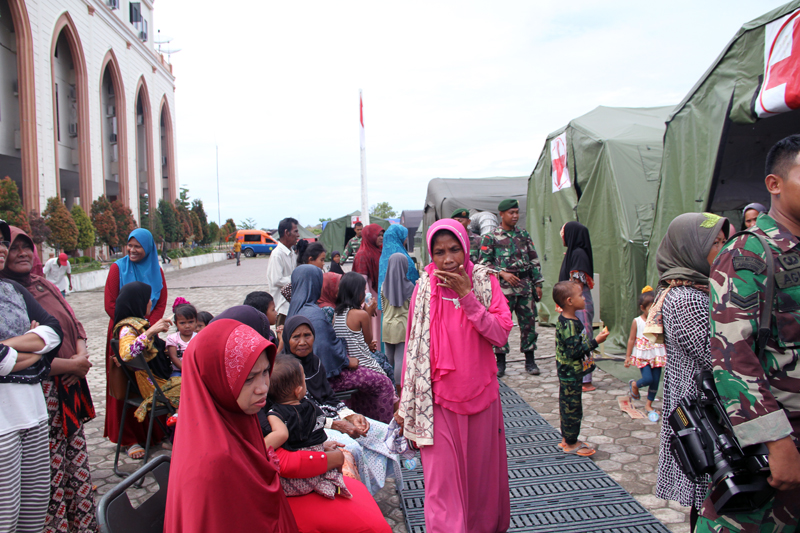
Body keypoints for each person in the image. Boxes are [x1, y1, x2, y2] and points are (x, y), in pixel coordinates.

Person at [697, 135, 800, 532]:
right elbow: (732, 356)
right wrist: (775, 441)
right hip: (779, 441)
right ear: (774, 185)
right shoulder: (749, 255)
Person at [398, 219, 513, 533]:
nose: (448, 259)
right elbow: (412, 347)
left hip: (482, 400)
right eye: (439, 252)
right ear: (430, 255)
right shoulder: (423, 288)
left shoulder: (484, 283)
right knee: (442, 486)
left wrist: (466, 296)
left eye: (454, 250)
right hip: (436, 404)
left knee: (480, 482)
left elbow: (500, 335)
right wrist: (405, 401)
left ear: (466, 247)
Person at [0, 226, 96, 532]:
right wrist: (54, 358)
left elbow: (64, 325)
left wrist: (79, 359)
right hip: (36, 398)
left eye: (24, 247)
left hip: (59, 394)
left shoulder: (33, 288)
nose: (21, 253)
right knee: (28, 493)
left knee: (66, 471)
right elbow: (21, 357)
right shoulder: (14, 291)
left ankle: (81, 524)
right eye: (14, 248)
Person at [164, 319, 299, 533]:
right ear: (214, 380)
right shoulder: (215, 463)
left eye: (266, 372)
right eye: (248, 379)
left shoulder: (238, 414)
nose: (263, 387)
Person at [648, 212, 730, 530]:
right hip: (703, 412)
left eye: (724, 242)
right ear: (690, 248)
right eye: (714, 244)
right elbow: (716, 357)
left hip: (704, 405)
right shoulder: (687, 299)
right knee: (710, 493)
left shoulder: (697, 288)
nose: (722, 251)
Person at [274, 315, 401, 496]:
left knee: (383, 432)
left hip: (331, 417)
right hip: (311, 428)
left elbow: (329, 397)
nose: (302, 342)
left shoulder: (315, 362)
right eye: (296, 337)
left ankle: (370, 489)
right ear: (287, 339)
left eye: (307, 335)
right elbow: (296, 413)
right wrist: (337, 424)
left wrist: (350, 415)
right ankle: (359, 494)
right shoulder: (283, 371)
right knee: (353, 447)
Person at [0, 219, 64, 533]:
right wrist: (35, 348)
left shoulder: (12, 290)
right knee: (5, 518)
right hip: (3, 423)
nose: (1, 249)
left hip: (33, 414)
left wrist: (11, 349)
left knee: (34, 511)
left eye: (2, 242)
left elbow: (54, 332)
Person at [103, 228, 168, 457]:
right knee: (126, 383)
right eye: (129, 245)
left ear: (148, 248)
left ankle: (155, 432)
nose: (132, 250)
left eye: (137, 246)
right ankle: (129, 438)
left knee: (151, 380)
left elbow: (160, 304)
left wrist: (148, 327)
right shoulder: (117, 268)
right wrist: (135, 324)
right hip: (123, 334)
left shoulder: (156, 270)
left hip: (149, 332)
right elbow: (111, 304)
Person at [263, 354, 352, 499]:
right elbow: (315, 430)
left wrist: (258, 448)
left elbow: (281, 435)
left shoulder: (274, 414)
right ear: (298, 391)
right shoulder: (312, 407)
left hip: (291, 483)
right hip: (316, 474)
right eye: (304, 381)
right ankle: (335, 484)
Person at [479, 198, 543, 376]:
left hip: (524, 287)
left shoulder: (523, 235)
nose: (515, 216)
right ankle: (500, 362)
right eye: (511, 213)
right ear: (501, 214)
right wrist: (502, 273)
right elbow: (484, 264)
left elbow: (533, 259)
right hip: (503, 290)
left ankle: (530, 361)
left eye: (517, 212)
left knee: (529, 324)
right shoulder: (490, 237)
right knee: (501, 325)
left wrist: (537, 283)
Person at [112, 282, 180, 430]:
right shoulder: (127, 328)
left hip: (159, 379)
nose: (151, 302)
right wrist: (150, 332)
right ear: (139, 302)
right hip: (154, 385)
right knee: (197, 386)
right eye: (148, 299)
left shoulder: (138, 324)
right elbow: (126, 354)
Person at [553, 281, 609, 457]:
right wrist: (596, 342)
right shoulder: (569, 324)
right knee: (572, 408)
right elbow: (575, 351)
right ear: (569, 301)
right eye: (580, 295)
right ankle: (571, 442)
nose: (584, 298)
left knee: (567, 404)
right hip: (570, 374)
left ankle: (566, 438)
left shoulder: (570, 320)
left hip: (570, 373)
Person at [334, 272, 397, 386]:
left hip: (347, 359)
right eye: (363, 290)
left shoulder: (336, 313)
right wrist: (368, 313)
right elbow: (368, 340)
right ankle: (395, 400)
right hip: (362, 362)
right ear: (357, 294)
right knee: (387, 379)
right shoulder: (361, 314)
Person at [287, 265, 349, 377]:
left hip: (297, 374)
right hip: (318, 377)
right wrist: (347, 361)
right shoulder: (315, 314)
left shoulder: (293, 308)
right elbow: (325, 350)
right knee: (382, 383)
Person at [559, 221, 596, 391]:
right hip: (574, 301)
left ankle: (586, 379)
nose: (561, 234)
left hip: (579, 302)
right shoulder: (573, 252)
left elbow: (577, 285)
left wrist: (571, 304)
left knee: (583, 337)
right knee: (576, 338)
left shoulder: (579, 254)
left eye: (563, 231)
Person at [624, 287, 666, 420]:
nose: (654, 312)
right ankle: (635, 385)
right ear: (642, 308)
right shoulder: (637, 321)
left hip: (656, 354)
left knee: (655, 381)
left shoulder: (658, 320)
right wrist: (628, 356)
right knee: (648, 379)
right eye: (650, 309)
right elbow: (631, 339)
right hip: (643, 356)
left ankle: (649, 405)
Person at [381, 253, 414, 388]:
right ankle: (399, 389)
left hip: (387, 324)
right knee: (400, 359)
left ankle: (386, 387)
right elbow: (413, 308)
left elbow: (383, 307)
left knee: (388, 357)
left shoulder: (384, 286)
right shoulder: (410, 287)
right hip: (402, 325)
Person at [377, 224, 418, 313]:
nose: (406, 239)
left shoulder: (383, 257)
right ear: (399, 237)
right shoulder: (403, 258)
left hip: (387, 306)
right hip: (404, 308)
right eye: (405, 236)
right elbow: (413, 281)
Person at [353, 224, 384, 340]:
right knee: (373, 325)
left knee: (378, 326)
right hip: (370, 295)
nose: (381, 238)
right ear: (370, 236)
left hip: (379, 294)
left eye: (382, 235)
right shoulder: (362, 254)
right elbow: (362, 281)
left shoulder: (379, 251)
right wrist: (368, 301)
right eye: (378, 235)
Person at [266, 217, 299, 327]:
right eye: (295, 231)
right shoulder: (277, 254)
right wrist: (297, 279)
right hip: (282, 307)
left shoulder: (291, 253)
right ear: (286, 232)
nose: (298, 235)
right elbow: (277, 280)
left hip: (291, 304)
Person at [166, 302, 197, 377]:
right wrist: (186, 370)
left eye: (191, 322)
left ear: (196, 321)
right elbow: (173, 357)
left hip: (196, 370)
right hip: (179, 371)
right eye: (182, 323)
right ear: (176, 323)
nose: (187, 326)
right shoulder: (172, 338)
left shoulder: (199, 337)